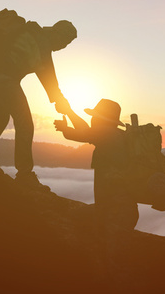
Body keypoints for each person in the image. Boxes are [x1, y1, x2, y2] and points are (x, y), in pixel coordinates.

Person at [0, 18, 77, 190]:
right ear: (57, 33)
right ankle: (24, 174)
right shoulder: (43, 45)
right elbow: (49, 80)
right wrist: (61, 102)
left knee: (1, 119)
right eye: (65, 41)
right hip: (5, 81)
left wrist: (57, 99)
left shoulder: (31, 32)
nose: (63, 46)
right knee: (25, 125)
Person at [54, 98, 139, 230]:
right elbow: (86, 130)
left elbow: (79, 133)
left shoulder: (105, 133)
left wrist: (65, 127)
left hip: (114, 214)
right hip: (123, 210)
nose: (92, 119)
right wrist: (69, 112)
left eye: (94, 116)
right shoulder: (116, 134)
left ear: (101, 119)